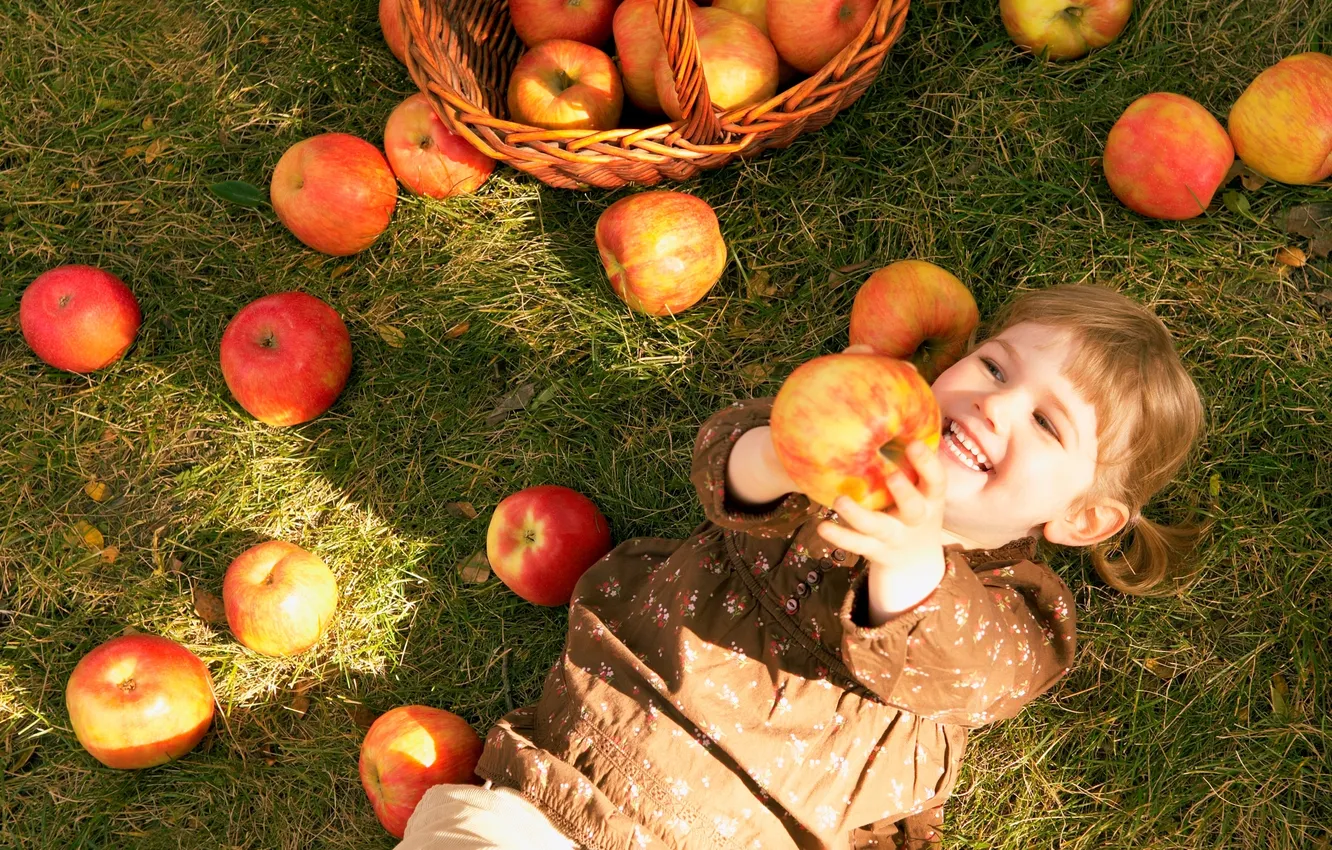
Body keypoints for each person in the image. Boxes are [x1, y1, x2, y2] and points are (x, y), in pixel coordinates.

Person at [396, 284, 1205, 850]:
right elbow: (725, 469)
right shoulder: (840, 459)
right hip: (567, 789)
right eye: (994, 367)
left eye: (1046, 423)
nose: (994, 404)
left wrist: (917, 559)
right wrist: (790, 448)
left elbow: (975, 675)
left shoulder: (1017, 608)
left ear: (1081, 518)